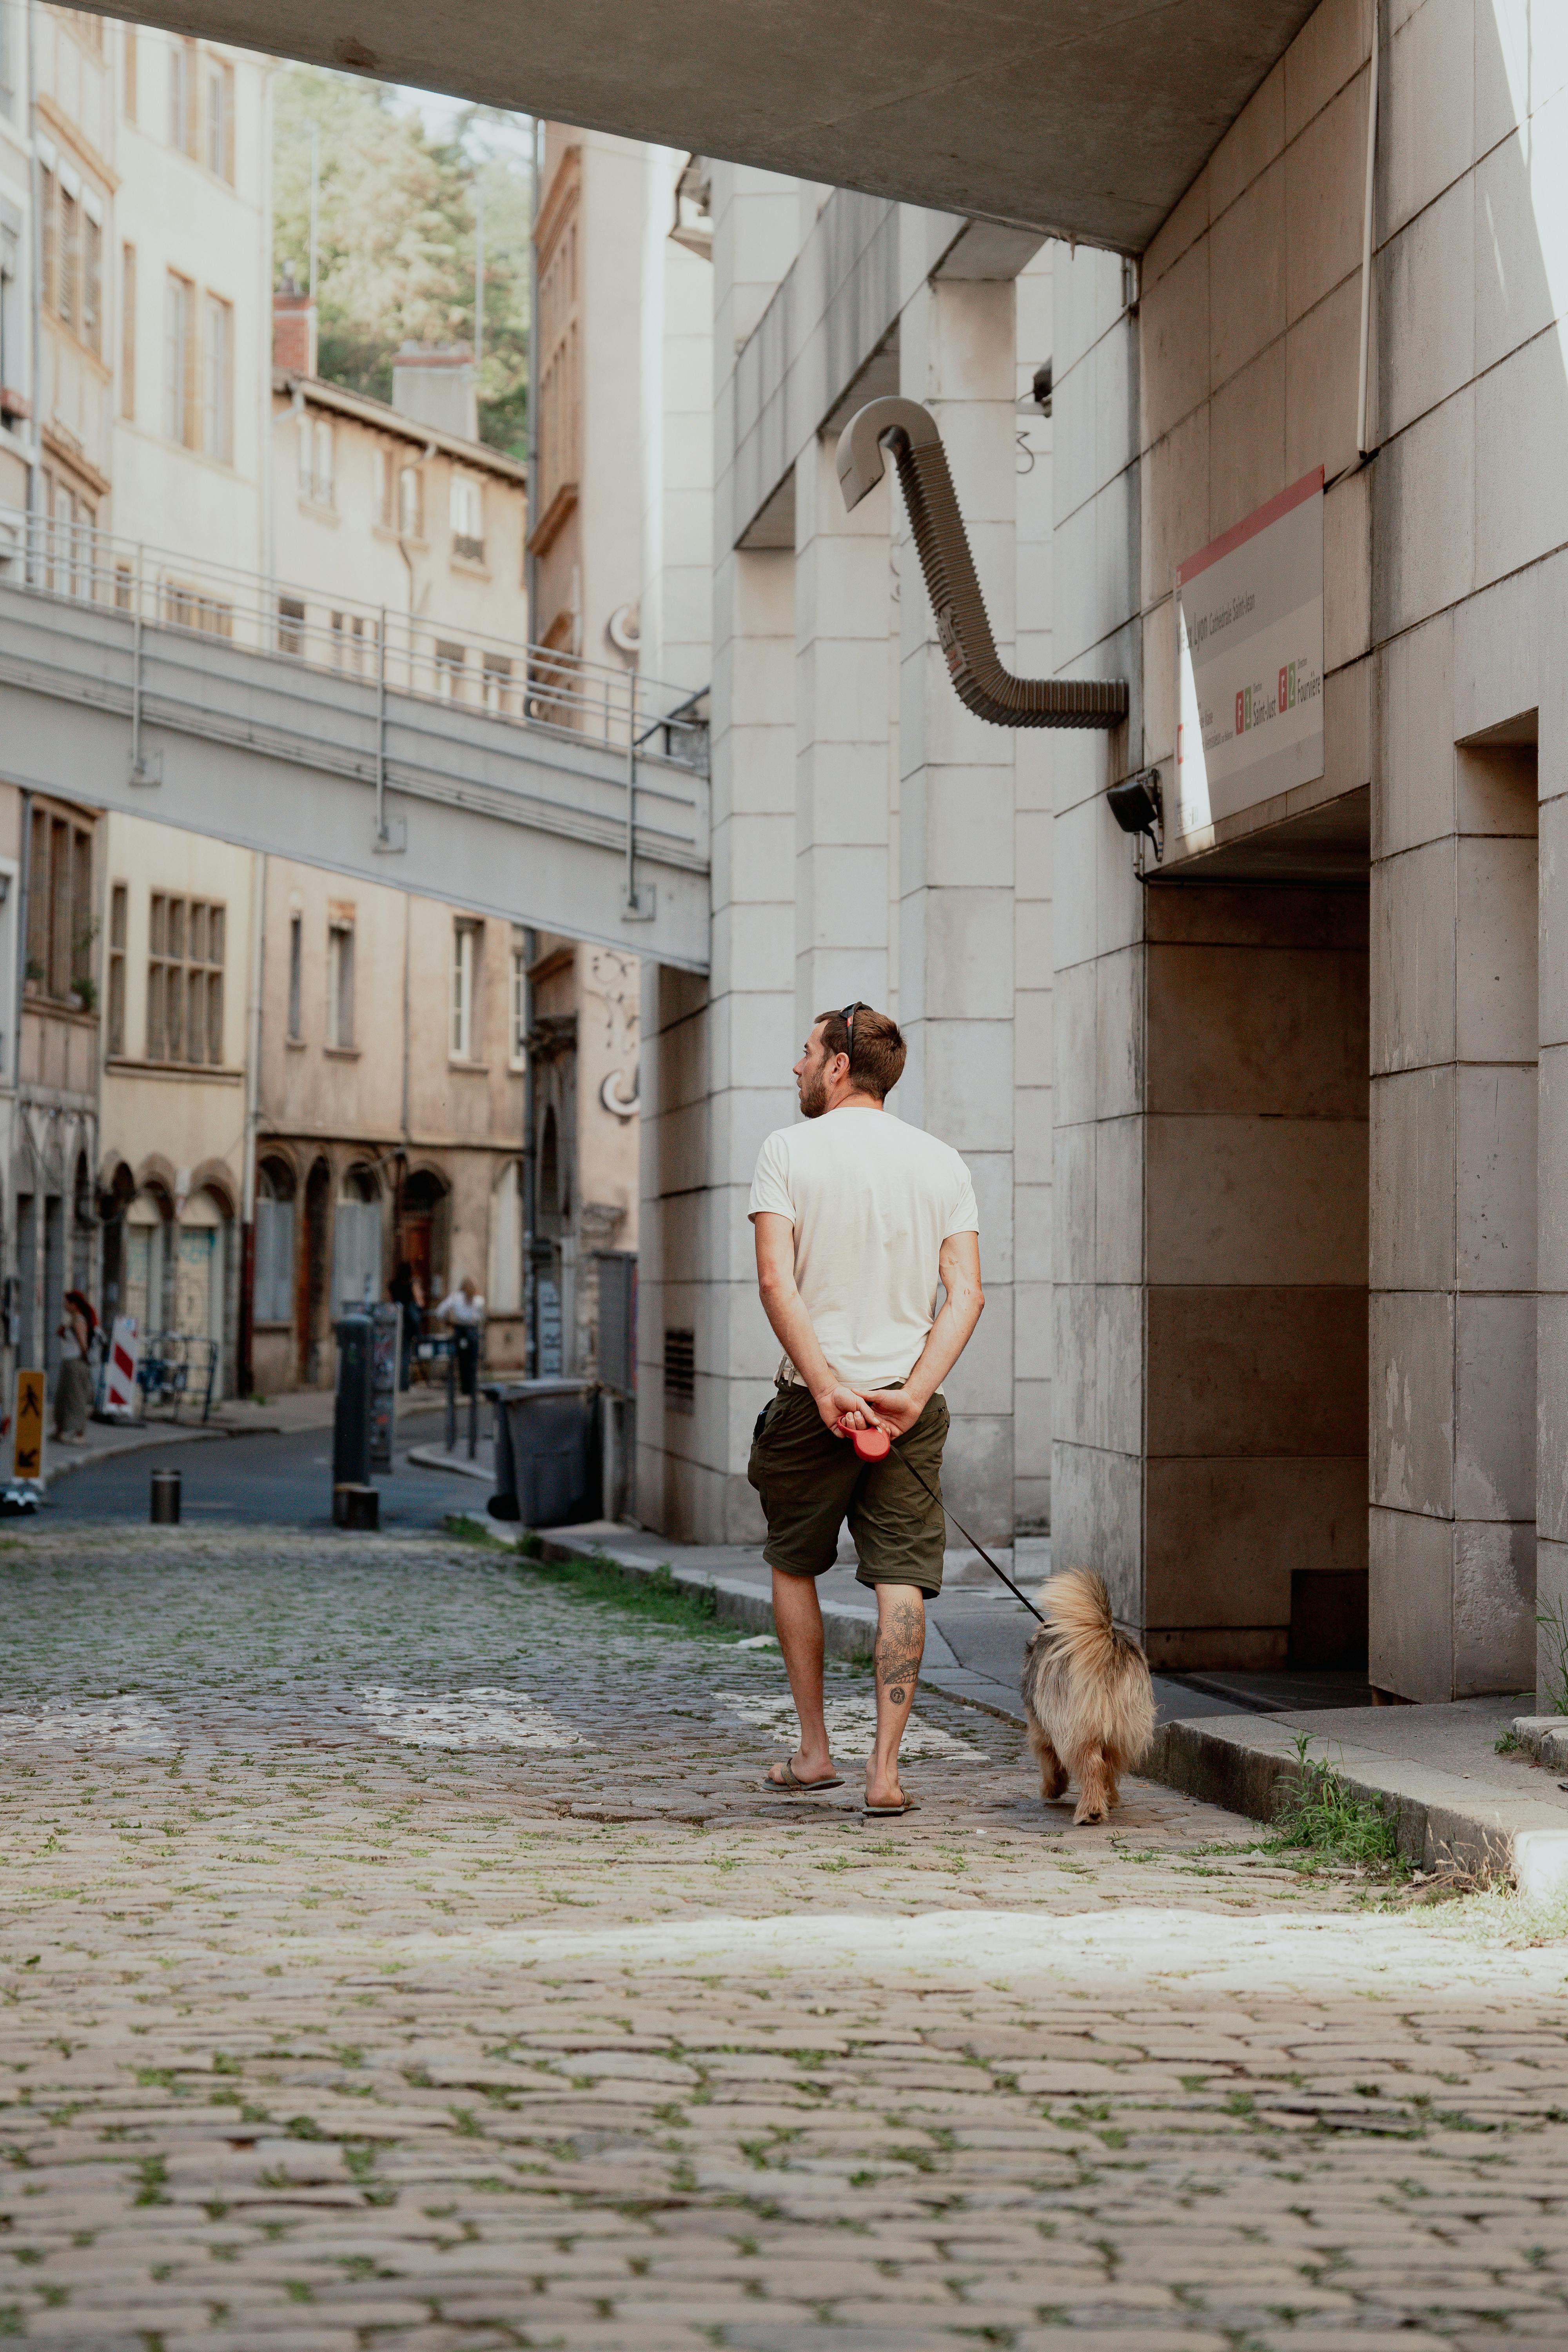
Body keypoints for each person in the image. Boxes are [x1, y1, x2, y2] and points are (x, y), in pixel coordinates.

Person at [748, 1002, 984, 1816]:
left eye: (806, 1053)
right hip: (902, 1411)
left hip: (814, 1402)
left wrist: (822, 1389)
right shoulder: (942, 1163)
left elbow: (777, 1282)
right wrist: (913, 1395)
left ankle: (814, 1752)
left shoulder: (787, 1150)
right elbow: (966, 1294)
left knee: (791, 1563)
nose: (797, 1067)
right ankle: (885, 1776)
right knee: (902, 1582)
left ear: (839, 1065)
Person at [53, 1289, 97, 1443]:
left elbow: (84, 1345)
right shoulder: (73, 1321)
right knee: (64, 1397)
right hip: (69, 1363)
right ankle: (61, 1430)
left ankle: (79, 1434)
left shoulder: (79, 1321)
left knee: (76, 1399)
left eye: (67, 1302)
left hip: (76, 1364)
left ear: (74, 1305)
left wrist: (86, 1360)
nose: (65, 1305)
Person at [434, 1274, 486, 1399]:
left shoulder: (456, 1298)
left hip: (460, 1330)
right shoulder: (479, 1300)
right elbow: (481, 1318)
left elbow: (440, 1312)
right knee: (472, 1361)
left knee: (463, 1361)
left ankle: (465, 1388)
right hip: (472, 1331)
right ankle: (471, 1387)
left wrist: (449, 1322)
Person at [389, 1258, 424, 1390]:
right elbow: (420, 1303)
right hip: (408, 1322)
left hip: (395, 1320)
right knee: (405, 1354)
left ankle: (393, 1382)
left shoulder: (393, 1285)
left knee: (395, 1353)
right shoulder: (412, 1285)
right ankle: (403, 1384)